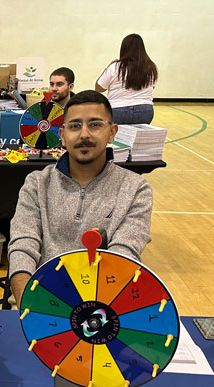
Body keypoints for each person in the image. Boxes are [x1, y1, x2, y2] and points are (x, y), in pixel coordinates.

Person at [8, 90, 153, 303]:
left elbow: (123, 257)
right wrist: (27, 305)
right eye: (75, 126)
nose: (84, 134)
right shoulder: (37, 183)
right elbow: (23, 247)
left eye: (95, 125)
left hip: (104, 304)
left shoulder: (136, 188)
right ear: (63, 136)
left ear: (112, 132)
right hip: (37, 301)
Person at [95, 34, 158, 125]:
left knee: (115, 137)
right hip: (145, 110)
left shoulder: (115, 67)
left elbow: (99, 88)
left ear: (123, 49)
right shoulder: (151, 68)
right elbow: (152, 88)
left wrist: (107, 68)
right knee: (138, 139)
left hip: (118, 110)